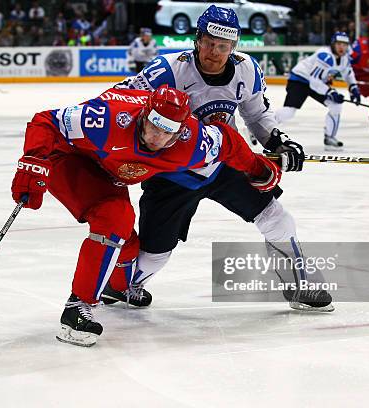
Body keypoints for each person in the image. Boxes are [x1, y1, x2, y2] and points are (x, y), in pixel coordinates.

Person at [10, 85, 282, 346]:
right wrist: (34, 162)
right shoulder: (108, 118)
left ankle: (118, 288)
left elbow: (229, 143)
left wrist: (258, 167)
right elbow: (46, 121)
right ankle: (77, 307)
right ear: (143, 115)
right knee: (115, 218)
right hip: (71, 160)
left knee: (126, 240)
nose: (157, 137)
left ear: (181, 131)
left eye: (168, 132)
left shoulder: (194, 142)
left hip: (109, 173)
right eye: (153, 124)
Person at [115, 6, 332, 313]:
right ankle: (120, 285)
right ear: (196, 39)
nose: (213, 52)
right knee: (155, 254)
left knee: (276, 217)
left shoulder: (246, 69)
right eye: (207, 41)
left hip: (223, 164)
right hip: (173, 173)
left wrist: (277, 140)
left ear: (234, 47)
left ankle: (299, 285)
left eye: (222, 46)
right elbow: (120, 102)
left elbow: (256, 114)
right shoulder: (168, 69)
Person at [274, 32, 360, 149]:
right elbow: (314, 81)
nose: (341, 47)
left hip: (317, 82)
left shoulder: (345, 58)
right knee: (289, 112)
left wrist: (353, 88)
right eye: (339, 44)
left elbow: (348, 73)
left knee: (335, 105)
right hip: (300, 79)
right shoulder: (325, 56)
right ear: (333, 44)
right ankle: (261, 127)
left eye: (344, 44)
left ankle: (330, 137)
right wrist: (330, 92)